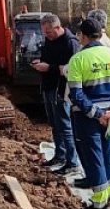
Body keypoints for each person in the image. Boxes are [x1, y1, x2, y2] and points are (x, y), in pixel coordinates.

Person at [67, 18, 110, 209]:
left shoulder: (78, 60)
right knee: (107, 155)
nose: (78, 38)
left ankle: (99, 204)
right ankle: (109, 193)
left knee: (92, 157)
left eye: (79, 34)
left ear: (84, 36)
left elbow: (76, 95)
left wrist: (97, 114)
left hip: (88, 118)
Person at [31, 14, 81, 175]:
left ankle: (72, 162)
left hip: (61, 89)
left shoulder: (70, 42)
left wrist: (49, 68)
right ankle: (60, 155)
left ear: (58, 27)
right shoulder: (49, 40)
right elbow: (49, 58)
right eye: (44, 32)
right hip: (48, 86)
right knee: (54, 123)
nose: (47, 35)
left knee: (65, 125)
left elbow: (70, 69)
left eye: (49, 32)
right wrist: (40, 63)